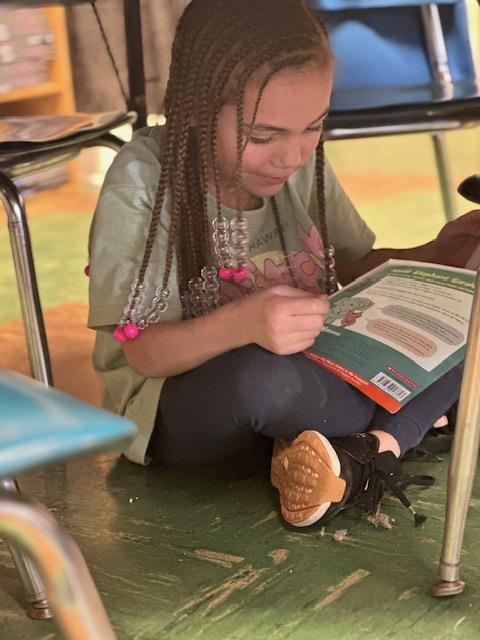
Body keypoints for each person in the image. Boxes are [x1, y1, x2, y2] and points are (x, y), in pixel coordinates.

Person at [88, 0, 480, 529]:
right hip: (188, 407)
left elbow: (360, 266)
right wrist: (241, 323)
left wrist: (443, 257)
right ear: (194, 110)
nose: (292, 156)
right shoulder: (142, 183)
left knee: (473, 310)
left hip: (317, 371)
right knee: (262, 381)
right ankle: (410, 424)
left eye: (313, 128)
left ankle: (366, 450)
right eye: (263, 136)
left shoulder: (294, 159)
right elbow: (145, 355)